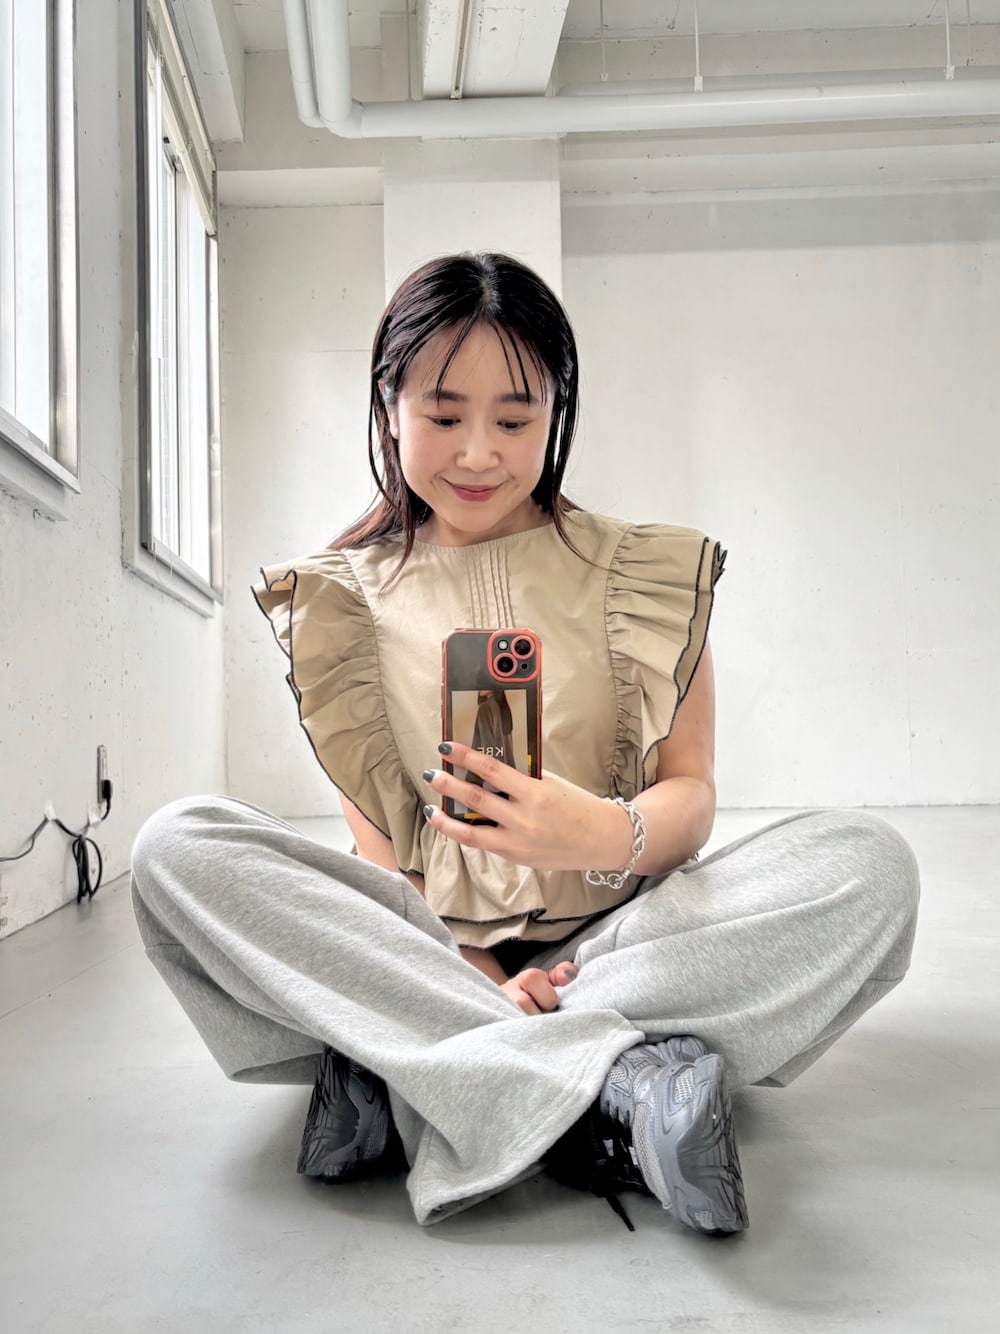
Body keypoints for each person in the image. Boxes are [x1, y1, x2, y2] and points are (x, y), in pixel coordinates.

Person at [130, 252, 919, 1236]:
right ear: (389, 408)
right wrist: (477, 973)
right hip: (433, 952)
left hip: (626, 944)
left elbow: (690, 798)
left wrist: (597, 833)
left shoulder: (646, 575)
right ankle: (620, 1082)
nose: (477, 454)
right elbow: (384, 866)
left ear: (556, 413)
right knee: (177, 847)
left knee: (867, 863)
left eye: (514, 420)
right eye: (442, 414)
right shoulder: (340, 603)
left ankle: (416, 1064)